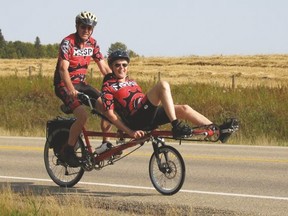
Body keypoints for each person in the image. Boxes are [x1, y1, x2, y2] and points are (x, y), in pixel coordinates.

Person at [101, 50, 216, 141]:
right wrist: (129, 131)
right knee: (162, 85)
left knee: (184, 108)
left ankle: (215, 129)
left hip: (147, 115)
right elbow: (111, 115)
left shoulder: (132, 81)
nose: (121, 68)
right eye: (117, 65)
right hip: (136, 118)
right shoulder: (108, 86)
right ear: (111, 67)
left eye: (124, 65)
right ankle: (176, 125)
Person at [54, 11, 112, 167]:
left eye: (89, 27)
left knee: (107, 106)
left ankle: (105, 144)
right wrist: (71, 89)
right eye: (83, 27)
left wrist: (116, 85)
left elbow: (105, 68)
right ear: (77, 26)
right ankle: (68, 150)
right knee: (83, 116)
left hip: (82, 83)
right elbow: (62, 70)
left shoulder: (92, 43)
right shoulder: (68, 42)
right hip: (64, 85)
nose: (86, 30)